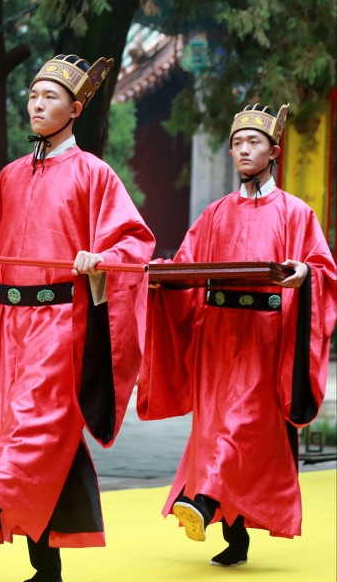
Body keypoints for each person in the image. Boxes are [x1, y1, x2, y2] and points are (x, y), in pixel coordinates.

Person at [0, 54, 154, 581]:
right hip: (8, 327)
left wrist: (102, 260)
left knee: (36, 427)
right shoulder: (10, 177)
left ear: (75, 109)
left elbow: (133, 243)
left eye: (49, 97)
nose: (36, 104)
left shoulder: (94, 174)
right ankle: (46, 568)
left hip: (59, 324)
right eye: (31, 95)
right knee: (17, 436)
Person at [137, 103, 336, 567]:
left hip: (265, 337)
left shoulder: (296, 212)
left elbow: (323, 270)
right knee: (214, 429)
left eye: (254, 142)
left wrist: (305, 272)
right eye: (237, 143)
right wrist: (159, 274)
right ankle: (235, 536)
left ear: (274, 151)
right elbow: (187, 266)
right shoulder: (215, 214)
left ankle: (203, 501)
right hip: (217, 334)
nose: (244, 150)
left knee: (243, 425)